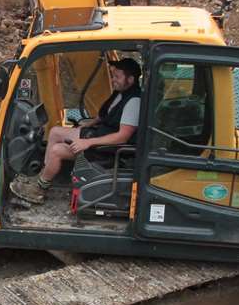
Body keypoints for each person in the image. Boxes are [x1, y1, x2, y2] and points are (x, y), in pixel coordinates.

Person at [10, 56, 143, 204]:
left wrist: (87, 143)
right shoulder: (121, 93)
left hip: (108, 150)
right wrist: (89, 124)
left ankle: (39, 188)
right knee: (55, 133)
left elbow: (122, 137)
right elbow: (106, 113)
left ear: (130, 80)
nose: (113, 80)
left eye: (117, 77)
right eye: (113, 76)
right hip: (100, 136)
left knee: (56, 148)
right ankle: (44, 175)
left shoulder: (134, 102)